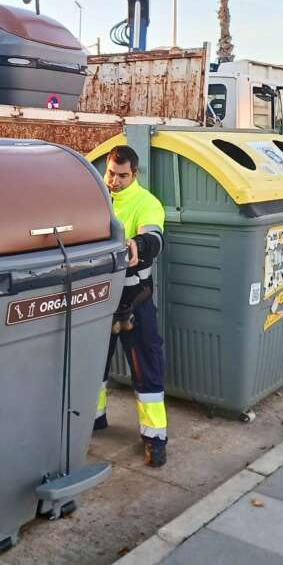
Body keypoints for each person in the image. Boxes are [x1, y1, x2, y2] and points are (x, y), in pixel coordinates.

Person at [93, 145, 168, 467]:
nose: (115, 181)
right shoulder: (94, 198)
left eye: (123, 176)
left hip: (135, 300)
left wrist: (138, 244)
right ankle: (92, 421)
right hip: (97, 300)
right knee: (92, 366)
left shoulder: (147, 202)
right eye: (111, 173)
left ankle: (155, 438)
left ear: (134, 174)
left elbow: (154, 238)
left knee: (147, 370)